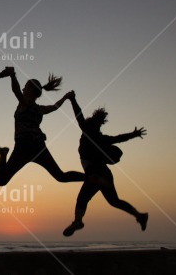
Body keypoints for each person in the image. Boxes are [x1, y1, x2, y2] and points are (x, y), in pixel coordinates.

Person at [63, 91, 148, 237]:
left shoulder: (87, 131)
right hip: (103, 172)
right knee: (114, 201)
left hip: (96, 171)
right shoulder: (101, 138)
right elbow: (118, 138)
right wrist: (133, 135)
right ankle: (139, 216)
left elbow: (79, 116)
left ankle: (78, 221)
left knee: (83, 197)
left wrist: (73, 99)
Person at [0, 71, 84, 186]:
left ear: (31, 90)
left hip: (24, 147)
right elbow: (54, 107)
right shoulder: (39, 109)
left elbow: (16, 90)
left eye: (26, 86)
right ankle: (90, 177)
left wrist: (12, 75)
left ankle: (3, 154)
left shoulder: (24, 104)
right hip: (38, 146)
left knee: (1, 181)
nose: (23, 89)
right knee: (60, 176)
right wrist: (66, 97)